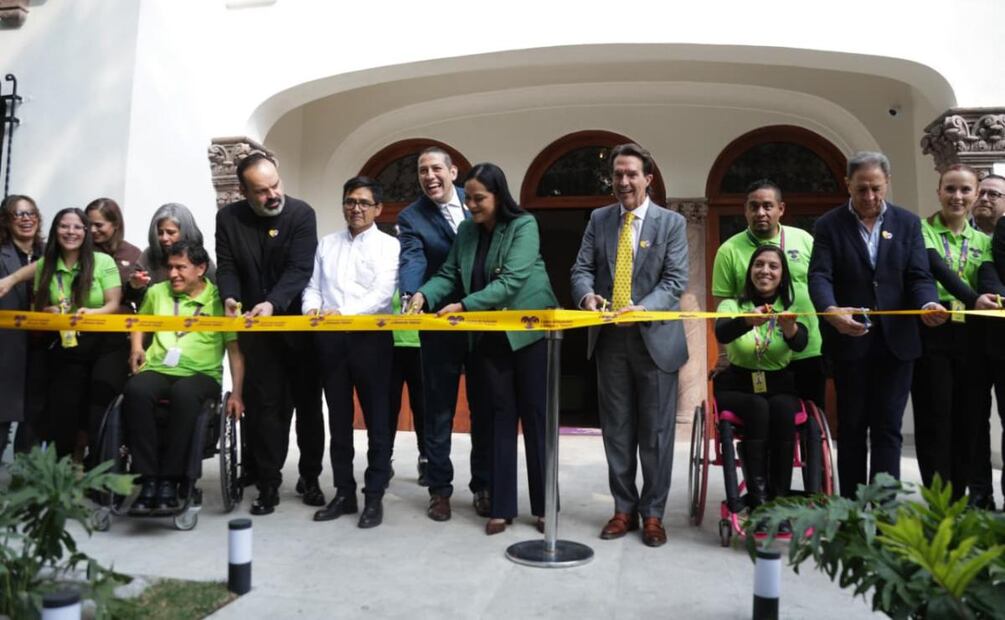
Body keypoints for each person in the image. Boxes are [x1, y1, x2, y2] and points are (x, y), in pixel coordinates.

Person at [410, 163, 557, 535]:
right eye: (469, 198)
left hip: (528, 335)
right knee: (497, 419)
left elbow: (512, 280)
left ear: (498, 196)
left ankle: (544, 507)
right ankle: (502, 506)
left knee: (536, 419)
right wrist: (425, 294)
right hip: (488, 338)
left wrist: (463, 305)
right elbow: (449, 273)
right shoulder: (466, 231)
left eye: (479, 199)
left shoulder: (523, 225)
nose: (471, 205)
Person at [570, 142, 689, 547]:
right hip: (610, 340)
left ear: (648, 179)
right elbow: (581, 268)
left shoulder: (670, 223)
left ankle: (653, 514)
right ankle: (624, 509)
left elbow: (675, 281)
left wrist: (642, 307)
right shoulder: (599, 219)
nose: (623, 182)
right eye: (618, 175)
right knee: (617, 429)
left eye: (631, 174)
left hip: (655, 340)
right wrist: (586, 297)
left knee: (655, 433)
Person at [808, 151, 947, 498]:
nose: (869, 197)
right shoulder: (828, 224)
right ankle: (852, 508)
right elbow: (819, 275)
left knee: (888, 428)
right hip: (849, 342)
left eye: (876, 189)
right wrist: (830, 310)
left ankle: (884, 510)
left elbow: (918, 275)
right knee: (852, 427)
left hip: (897, 344)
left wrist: (928, 303)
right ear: (847, 185)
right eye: (861, 190)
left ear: (887, 184)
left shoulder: (908, 223)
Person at [215, 152, 325, 515]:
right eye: (261, 191)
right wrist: (229, 297)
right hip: (257, 334)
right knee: (265, 410)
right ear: (244, 192)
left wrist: (273, 304)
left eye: (275, 185)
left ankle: (310, 477)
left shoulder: (302, 214)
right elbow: (227, 266)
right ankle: (268, 483)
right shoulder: (228, 219)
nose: (272, 194)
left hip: (298, 330)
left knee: (308, 408)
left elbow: (300, 269)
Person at [397, 147, 491, 521]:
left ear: (453, 171)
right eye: (422, 171)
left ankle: (483, 486)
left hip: (483, 322)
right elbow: (412, 258)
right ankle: (439, 490)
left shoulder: (480, 204)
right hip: (438, 323)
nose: (429, 176)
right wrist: (411, 294)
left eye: (436, 168)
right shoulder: (410, 216)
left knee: (484, 410)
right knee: (438, 413)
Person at [303, 176, 398, 528]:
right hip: (330, 342)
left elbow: (382, 294)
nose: (355, 208)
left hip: (370, 341)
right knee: (339, 421)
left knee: (377, 421)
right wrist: (311, 310)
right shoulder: (327, 244)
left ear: (377, 209)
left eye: (362, 202)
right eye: (349, 201)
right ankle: (343, 493)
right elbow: (313, 288)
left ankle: (373, 496)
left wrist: (343, 313)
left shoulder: (389, 246)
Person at [123, 242, 245, 514]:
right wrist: (137, 348)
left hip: (201, 374)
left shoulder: (218, 300)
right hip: (159, 368)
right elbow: (139, 323)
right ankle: (148, 479)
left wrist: (236, 394)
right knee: (136, 390)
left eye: (181, 268)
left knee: (185, 395)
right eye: (170, 268)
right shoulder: (156, 292)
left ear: (201, 269)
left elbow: (235, 352)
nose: (173, 274)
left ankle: (171, 479)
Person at [912, 165, 996, 500]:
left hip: (973, 336)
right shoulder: (921, 230)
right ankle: (938, 499)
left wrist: (993, 296)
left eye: (965, 190)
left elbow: (988, 278)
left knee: (969, 420)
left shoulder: (983, 241)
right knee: (936, 419)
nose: (957, 197)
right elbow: (939, 270)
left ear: (976, 195)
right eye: (950, 189)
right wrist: (974, 297)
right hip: (934, 331)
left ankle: (960, 497)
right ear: (938, 192)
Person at [711, 179, 823, 406]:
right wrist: (724, 355)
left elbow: (822, 285)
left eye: (767, 206)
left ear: (781, 209)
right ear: (745, 210)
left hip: (805, 348)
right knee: (767, 420)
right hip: (758, 357)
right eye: (753, 206)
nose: (760, 212)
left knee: (810, 423)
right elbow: (722, 305)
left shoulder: (804, 239)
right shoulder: (728, 250)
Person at [715, 245, 808, 512]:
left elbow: (801, 344)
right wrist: (746, 322)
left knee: (780, 408)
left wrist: (791, 330)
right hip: (737, 384)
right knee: (757, 407)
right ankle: (758, 498)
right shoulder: (731, 305)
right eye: (759, 264)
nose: (765, 271)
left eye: (773, 266)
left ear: (782, 275)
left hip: (779, 384)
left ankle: (778, 499)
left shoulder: (791, 307)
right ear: (750, 270)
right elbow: (722, 333)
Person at [30, 208, 126, 460]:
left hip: (106, 344)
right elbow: (39, 306)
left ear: (86, 232)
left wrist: (93, 314)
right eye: (64, 226)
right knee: (64, 406)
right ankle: (64, 469)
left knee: (99, 406)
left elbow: (113, 303)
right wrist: (48, 310)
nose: (70, 232)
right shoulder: (44, 265)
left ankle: (100, 469)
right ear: (55, 231)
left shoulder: (103, 261)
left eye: (77, 227)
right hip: (68, 343)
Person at [0, 195, 44, 456]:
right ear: (6, 220)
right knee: (2, 418)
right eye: (19, 214)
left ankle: (25, 485)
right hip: (6, 345)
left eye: (31, 213)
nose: (26, 219)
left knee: (35, 419)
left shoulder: (49, 253)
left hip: (42, 346)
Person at [973, 173, 1005, 510]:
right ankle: (980, 494)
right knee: (973, 424)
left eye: (994, 194)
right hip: (967, 344)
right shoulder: (962, 236)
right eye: (981, 192)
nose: (985, 198)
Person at [127, 202, 217, 303]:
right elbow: (134, 298)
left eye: (171, 233)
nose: (164, 238)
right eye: (160, 233)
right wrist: (134, 286)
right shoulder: (148, 256)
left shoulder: (200, 259)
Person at [388, 289, 427, 486]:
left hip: (420, 347)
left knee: (422, 408)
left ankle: (426, 459)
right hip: (390, 347)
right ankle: (383, 460)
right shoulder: (390, 271)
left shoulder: (422, 274)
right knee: (388, 408)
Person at [84, 198, 142, 313]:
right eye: (88, 224)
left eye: (98, 225)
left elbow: (138, 297)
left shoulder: (132, 253)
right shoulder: (80, 251)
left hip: (119, 322)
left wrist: (136, 286)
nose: (93, 230)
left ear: (115, 224)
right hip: (84, 316)